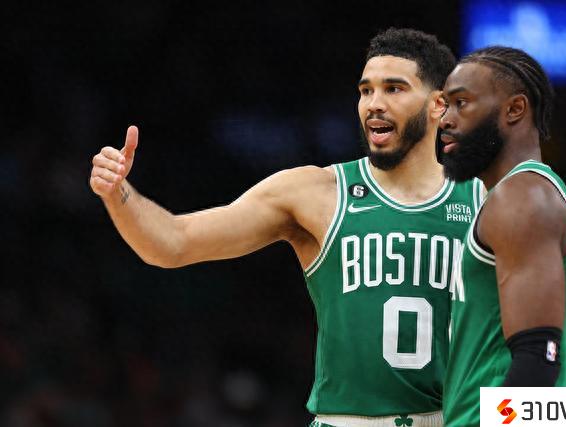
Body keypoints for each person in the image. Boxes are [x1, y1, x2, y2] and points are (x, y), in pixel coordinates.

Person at [90, 28, 483, 427]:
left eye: (394, 89)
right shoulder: (315, 192)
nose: (374, 104)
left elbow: (522, 343)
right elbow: (173, 243)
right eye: (366, 91)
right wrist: (119, 193)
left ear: (438, 105)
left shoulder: (487, 201)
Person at [437, 46, 566, 426]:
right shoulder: (530, 195)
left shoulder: (521, 198)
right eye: (445, 105)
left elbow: (538, 358)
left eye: (461, 103)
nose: (445, 120)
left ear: (515, 109)